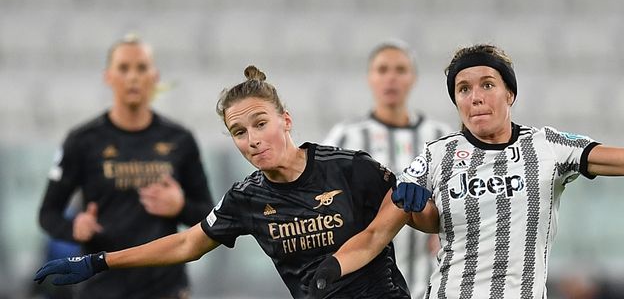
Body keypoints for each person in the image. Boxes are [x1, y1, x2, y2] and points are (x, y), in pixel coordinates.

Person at [308, 43, 624, 299]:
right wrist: (330, 268)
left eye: (487, 84)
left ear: (510, 93)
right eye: (463, 90)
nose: (475, 97)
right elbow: (382, 232)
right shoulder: (434, 157)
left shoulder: (549, 146)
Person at [34, 65, 411, 299]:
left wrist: (413, 203)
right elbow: (186, 243)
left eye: (261, 123)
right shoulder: (248, 198)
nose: (253, 140)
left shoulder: (348, 168)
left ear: (286, 120)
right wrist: (100, 261)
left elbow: (417, 212)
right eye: (239, 131)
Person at [37, 35, 214, 299]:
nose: (133, 77)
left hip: (164, 287)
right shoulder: (82, 140)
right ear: (108, 76)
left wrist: (180, 207)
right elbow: (47, 214)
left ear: (154, 76)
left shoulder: (180, 139)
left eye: (141, 68)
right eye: (123, 68)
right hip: (101, 285)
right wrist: (74, 228)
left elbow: (209, 215)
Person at [323, 39, 452, 297]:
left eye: (400, 70)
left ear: (413, 78)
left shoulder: (440, 137)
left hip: (430, 282)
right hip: (366, 284)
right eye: (382, 70)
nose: (391, 78)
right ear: (370, 78)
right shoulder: (344, 138)